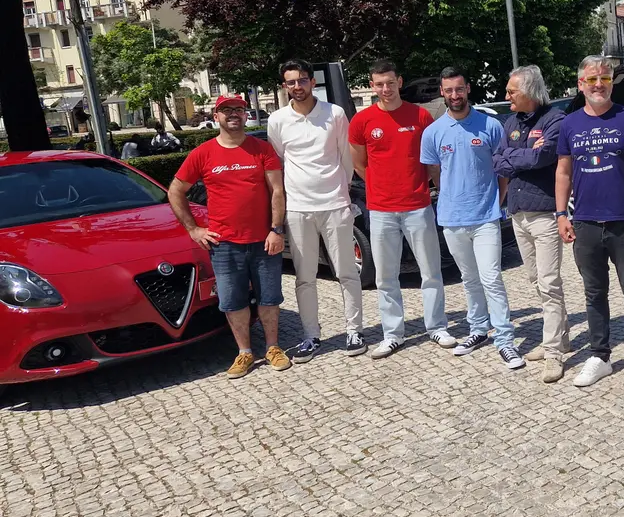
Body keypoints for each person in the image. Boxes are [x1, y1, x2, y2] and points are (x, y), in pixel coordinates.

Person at [167, 94, 292, 380]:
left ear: (246, 115)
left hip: (264, 241)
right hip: (224, 244)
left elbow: (277, 190)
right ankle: (244, 352)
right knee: (232, 301)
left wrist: (276, 229)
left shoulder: (262, 149)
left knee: (269, 297)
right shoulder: (203, 153)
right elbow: (175, 191)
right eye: (226, 110)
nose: (233, 114)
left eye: (238, 109)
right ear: (216, 116)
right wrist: (193, 229)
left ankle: (273, 347)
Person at [555, 56, 624, 388]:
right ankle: (600, 356)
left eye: (604, 78)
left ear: (611, 82)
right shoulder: (570, 124)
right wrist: (561, 214)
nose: (598, 84)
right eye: (591, 79)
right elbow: (563, 172)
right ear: (580, 84)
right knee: (594, 292)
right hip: (585, 222)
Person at [348, 59, 455, 358]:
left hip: (418, 206)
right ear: (372, 86)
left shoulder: (420, 116)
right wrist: (380, 186)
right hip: (381, 210)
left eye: (390, 83)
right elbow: (359, 163)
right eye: (380, 84)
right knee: (385, 277)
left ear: (399, 82)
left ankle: (437, 326)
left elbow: (433, 162)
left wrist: (436, 191)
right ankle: (393, 334)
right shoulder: (362, 121)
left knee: (430, 271)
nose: (386, 89)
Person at [421, 67, 522, 370]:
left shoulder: (490, 126)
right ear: (442, 92)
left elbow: (503, 170)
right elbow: (434, 172)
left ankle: (505, 339)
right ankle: (478, 329)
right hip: (452, 218)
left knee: (491, 278)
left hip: (486, 217)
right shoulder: (433, 132)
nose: (455, 95)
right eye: (449, 90)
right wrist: (451, 196)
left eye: (459, 89)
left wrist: (496, 201)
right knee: (469, 279)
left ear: (468, 89)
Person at [267, 59, 364, 362]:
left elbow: (346, 158)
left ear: (312, 82)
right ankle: (311, 336)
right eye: (291, 82)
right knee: (305, 277)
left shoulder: (335, 114)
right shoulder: (277, 120)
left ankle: (354, 331)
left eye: (302, 80)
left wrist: (342, 192)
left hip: (335, 204)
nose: (297, 86)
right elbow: (279, 163)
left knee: (346, 272)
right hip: (298, 209)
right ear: (285, 86)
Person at [493, 65, 569, 383]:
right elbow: (498, 161)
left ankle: (553, 353)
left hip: (545, 214)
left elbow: (543, 157)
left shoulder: (555, 120)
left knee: (549, 283)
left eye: (512, 91)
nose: (507, 96)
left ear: (530, 92)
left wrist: (516, 156)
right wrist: (522, 155)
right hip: (518, 213)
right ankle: (560, 337)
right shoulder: (511, 122)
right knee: (536, 279)